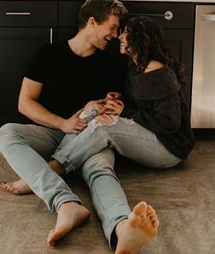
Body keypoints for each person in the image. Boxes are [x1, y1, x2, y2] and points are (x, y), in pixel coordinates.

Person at [0, 0, 159, 254]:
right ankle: (65, 204)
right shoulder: (48, 54)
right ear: (92, 22)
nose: (116, 35)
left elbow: (110, 110)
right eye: (113, 28)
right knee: (5, 132)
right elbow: (25, 103)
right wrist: (62, 123)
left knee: (101, 170)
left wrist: (95, 109)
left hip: (91, 135)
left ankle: (121, 229)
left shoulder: (111, 62)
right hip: (52, 132)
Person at [46, 15, 196, 190]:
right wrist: (119, 99)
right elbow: (144, 101)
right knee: (94, 111)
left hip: (169, 149)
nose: (119, 37)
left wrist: (125, 112)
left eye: (126, 32)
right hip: (151, 135)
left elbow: (170, 123)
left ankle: (55, 169)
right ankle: (56, 160)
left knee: (105, 127)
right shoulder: (137, 65)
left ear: (141, 39)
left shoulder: (158, 73)